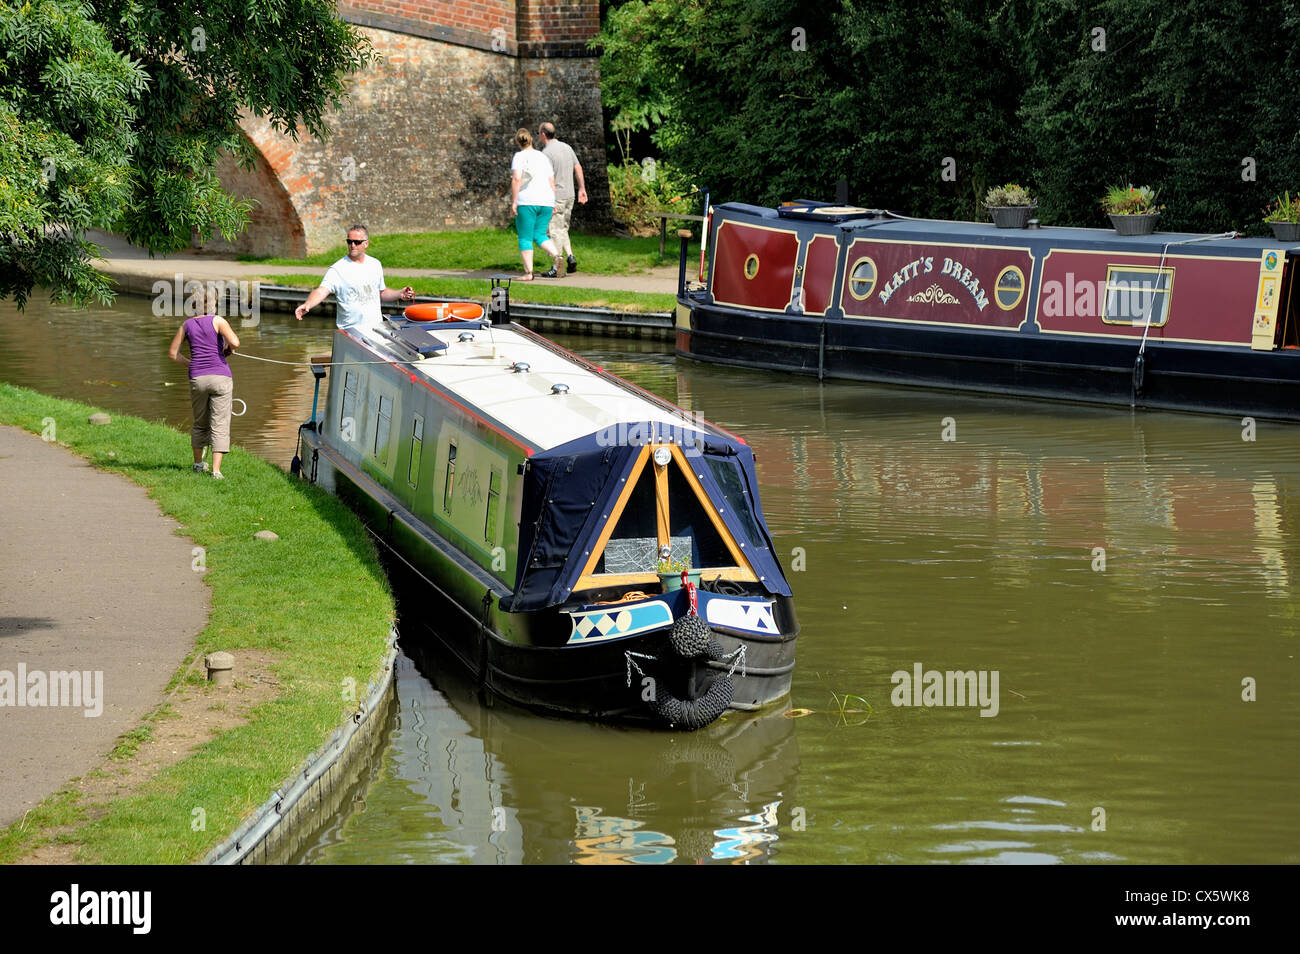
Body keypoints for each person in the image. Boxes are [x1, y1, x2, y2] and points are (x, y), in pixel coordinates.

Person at [169, 289, 240, 479]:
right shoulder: (218, 321)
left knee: (200, 422)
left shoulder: (186, 325)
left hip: (197, 378)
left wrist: (191, 364)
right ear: (213, 305)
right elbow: (235, 342)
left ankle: (198, 464)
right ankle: (216, 472)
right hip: (220, 377)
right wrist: (227, 350)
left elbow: (173, 354)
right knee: (220, 423)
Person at [294, 225, 413, 327]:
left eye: (357, 242)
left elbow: (381, 293)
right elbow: (321, 291)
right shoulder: (338, 269)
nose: (352, 245)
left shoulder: (375, 264)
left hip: (376, 328)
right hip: (350, 331)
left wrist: (400, 294)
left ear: (366, 243)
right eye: (349, 241)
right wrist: (308, 304)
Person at [510, 128, 563, 280]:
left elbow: (517, 179)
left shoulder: (519, 157)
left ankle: (528, 273)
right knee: (539, 234)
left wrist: (514, 202)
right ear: (532, 139)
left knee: (525, 237)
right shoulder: (542, 157)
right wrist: (552, 202)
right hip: (546, 201)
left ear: (517, 142)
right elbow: (551, 182)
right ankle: (557, 256)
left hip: (527, 201)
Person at [537, 121, 588, 277]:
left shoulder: (546, 153)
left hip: (556, 197)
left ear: (543, 135)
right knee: (563, 228)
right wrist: (582, 189)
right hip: (570, 195)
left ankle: (557, 267)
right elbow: (578, 167)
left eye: (539, 133)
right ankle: (570, 256)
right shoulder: (567, 147)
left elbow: (545, 179)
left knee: (555, 231)